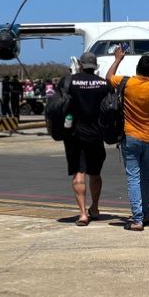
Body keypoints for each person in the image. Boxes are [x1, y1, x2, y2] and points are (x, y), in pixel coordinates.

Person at [106, 47, 149, 231]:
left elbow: (108, 77)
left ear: (137, 68)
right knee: (146, 178)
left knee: (133, 178)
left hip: (130, 136)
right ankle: (145, 213)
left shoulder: (126, 83)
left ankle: (137, 219)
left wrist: (118, 59)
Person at [59, 52, 110, 226]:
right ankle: (94, 208)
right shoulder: (104, 84)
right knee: (95, 174)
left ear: (80, 65)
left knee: (78, 173)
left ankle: (82, 214)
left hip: (74, 134)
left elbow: (60, 106)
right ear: (95, 66)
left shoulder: (70, 82)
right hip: (96, 135)